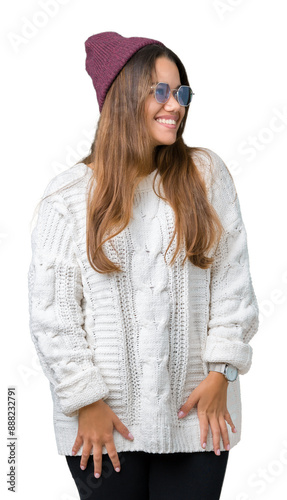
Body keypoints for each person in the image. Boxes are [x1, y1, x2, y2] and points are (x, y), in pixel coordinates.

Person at [27, 31, 260, 500]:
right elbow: (53, 316)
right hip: (103, 424)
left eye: (182, 92)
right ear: (121, 97)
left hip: (199, 417)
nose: (175, 104)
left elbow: (232, 282)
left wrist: (223, 372)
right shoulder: (68, 197)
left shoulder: (205, 176)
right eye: (160, 91)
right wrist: (85, 399)